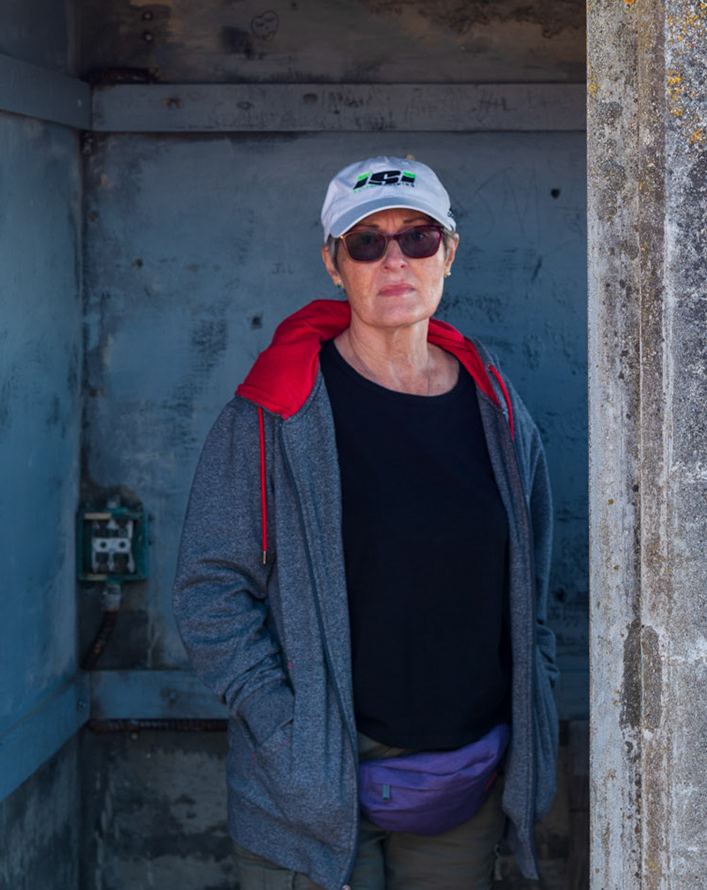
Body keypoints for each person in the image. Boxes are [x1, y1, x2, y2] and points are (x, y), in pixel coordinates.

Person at [175, 157, 560, 890]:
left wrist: (528, 723)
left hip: (466, 781)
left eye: (417, 239)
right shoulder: (274, 413)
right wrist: (287, 737)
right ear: (333, 263)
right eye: (366, 242)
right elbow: (209, 592)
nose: (395, 260)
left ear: (448, 253)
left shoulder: (499, 412)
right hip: (311, 789)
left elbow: (534, 595)